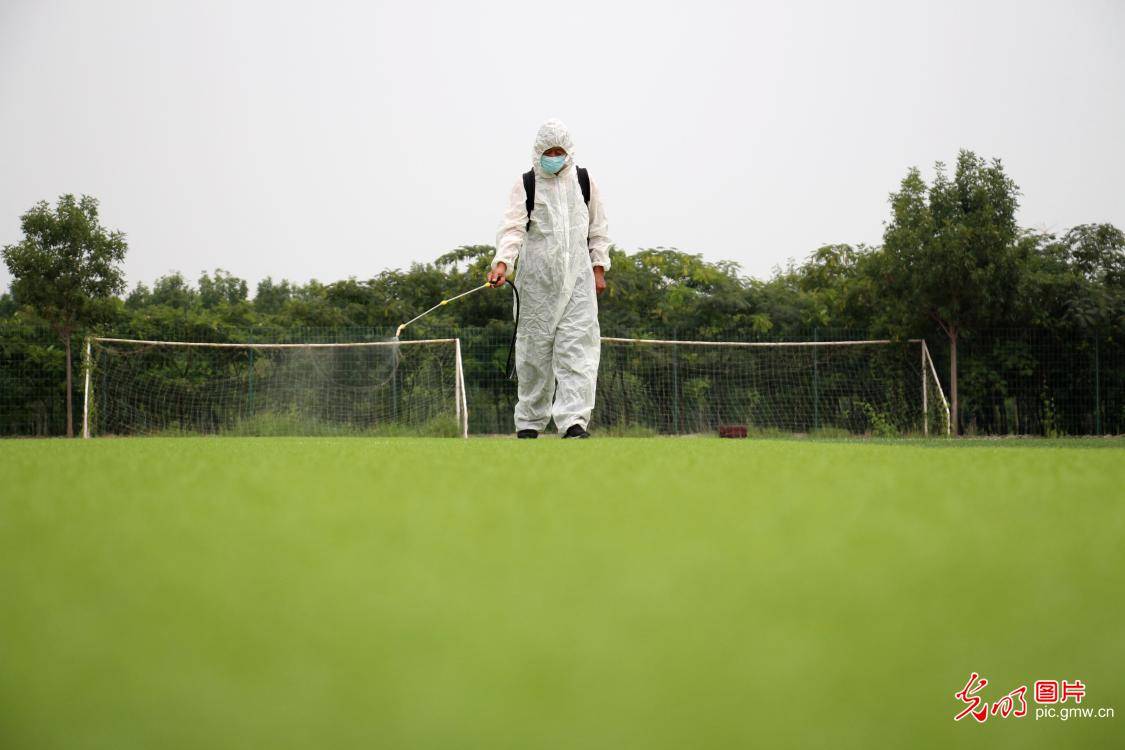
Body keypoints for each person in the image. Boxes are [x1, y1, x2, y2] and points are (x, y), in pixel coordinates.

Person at [487, 119, 611, 439]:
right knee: (533, 353)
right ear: (538, 152)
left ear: (568, 151)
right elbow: (513, 228)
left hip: (578, 285)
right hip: (536, 285)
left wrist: (598, 269)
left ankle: (573, 421)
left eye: (559, 151)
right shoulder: (527, 184)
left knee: (577, 351)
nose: (553, 156)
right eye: (548, 151)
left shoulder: (584, 181)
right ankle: (529, 421)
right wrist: (503, 263)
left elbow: (597, 228)